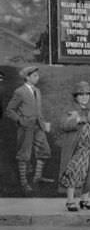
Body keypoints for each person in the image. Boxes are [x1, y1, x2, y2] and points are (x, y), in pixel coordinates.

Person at [57, 81, 90, 212]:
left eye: (87, 94)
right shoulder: (70, 110)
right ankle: (70, 201)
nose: (84, 97)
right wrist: (77, 120)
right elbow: (63, 125)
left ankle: (84, 200)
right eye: (81, 95)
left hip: (89, 149)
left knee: (88, 174)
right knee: (72, 172)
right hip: (75, 149)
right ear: (75, 96)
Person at [4, 66, 51, 195]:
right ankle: (24, 183)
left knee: (44, 150)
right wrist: (20, 120)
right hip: (26, 126)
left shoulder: (37, 91)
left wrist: (44, 122)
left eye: (37, 75)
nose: (37, 77)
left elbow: (38, 110)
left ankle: (37, 177)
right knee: (24, 154)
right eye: (35, 76)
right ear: (27, 77)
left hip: (38, 125)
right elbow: (9, 110)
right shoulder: (20, 92)